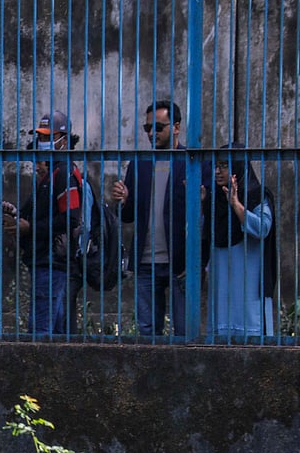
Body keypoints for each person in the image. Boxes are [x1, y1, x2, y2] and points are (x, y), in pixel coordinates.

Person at [110, 99, 211, 336]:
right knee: (147, 332)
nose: (151, 133)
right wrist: (123, 202)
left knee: (186, 331)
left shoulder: (193, 162)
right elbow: (128, 216)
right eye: (147, 128)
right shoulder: (140, 162)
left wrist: (198, 260)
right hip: (146, 262)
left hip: (181, 263)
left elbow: (206, 216)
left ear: (176, 127)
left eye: (158, 127)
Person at [0, 111, 82, 335]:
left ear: (63, 140)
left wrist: (30, 227)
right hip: (44, 259)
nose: (42, 143)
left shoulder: (65, 174)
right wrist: (17, 215)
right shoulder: (50, 175)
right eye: (41, 137)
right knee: (53, 329)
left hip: (54, 261)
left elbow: (71, 218)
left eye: (47, 137)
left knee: (41, 329)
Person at [207, 147, 277, 337]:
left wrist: (236, 205)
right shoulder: (214, 199)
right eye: (216, 165)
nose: (217, 171)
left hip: (250, 288)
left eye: (224, 165)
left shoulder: (257, 195)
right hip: (222, 288)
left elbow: (263, 228)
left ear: (238, 167)